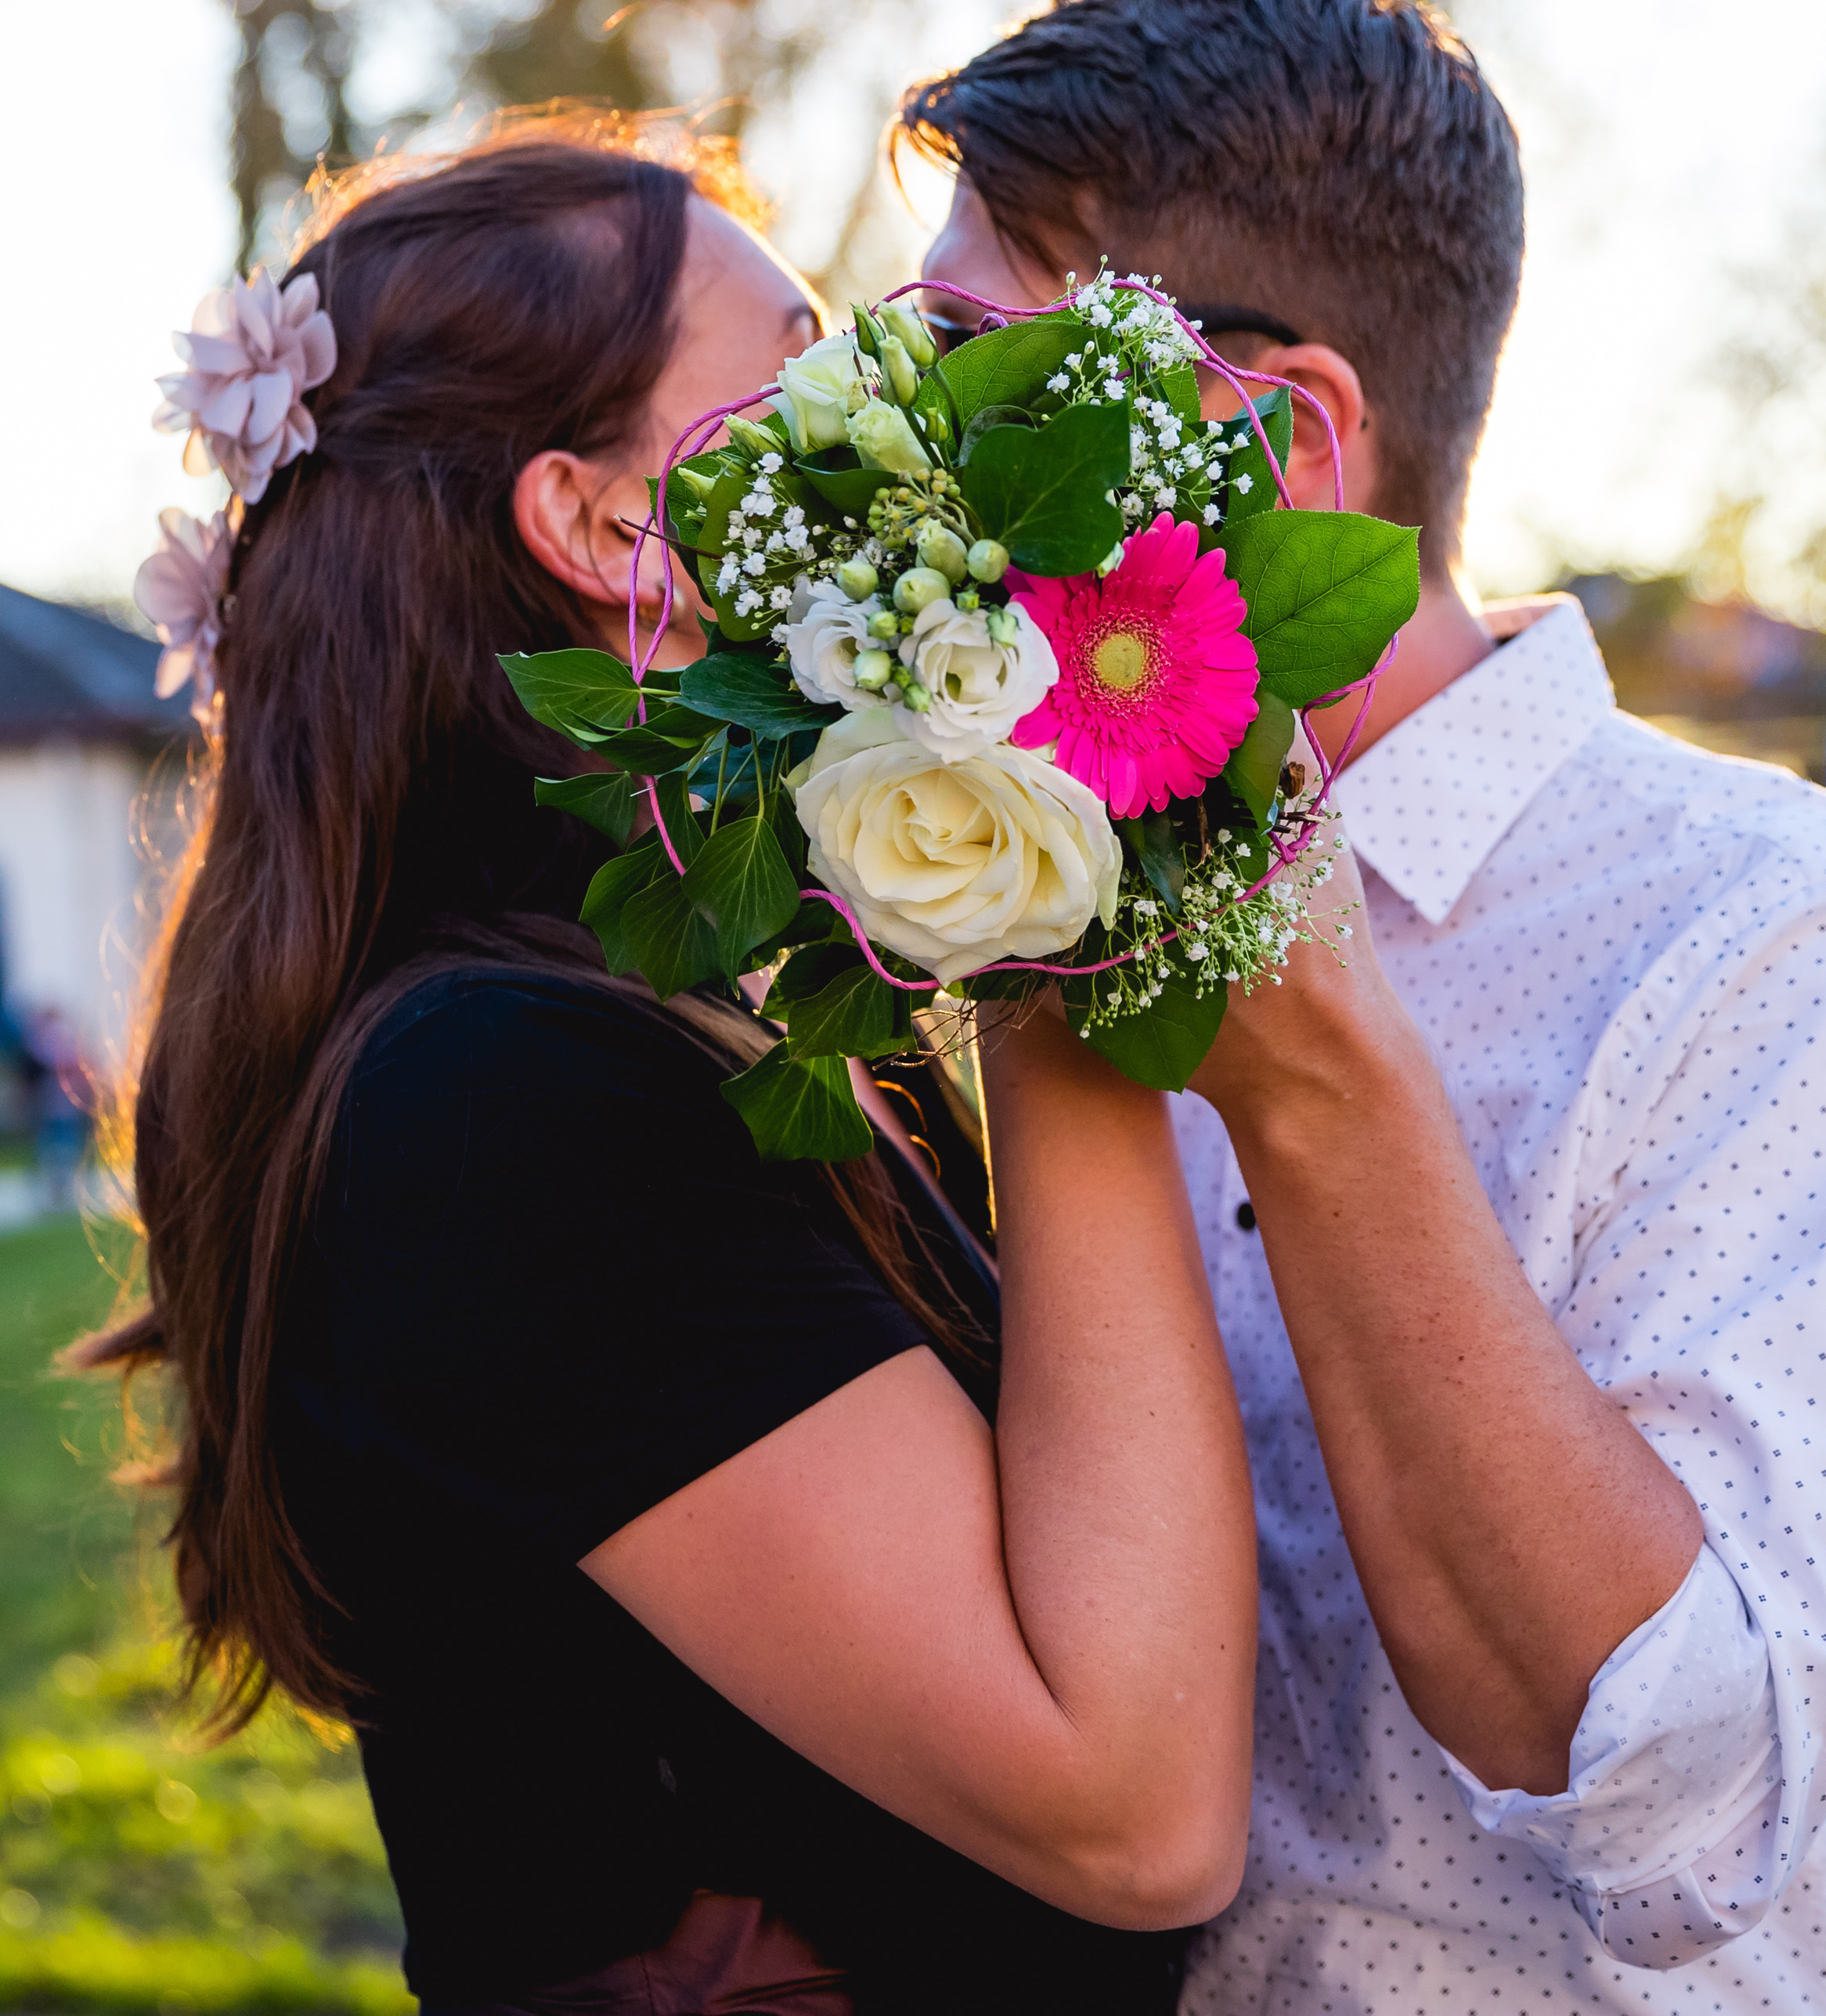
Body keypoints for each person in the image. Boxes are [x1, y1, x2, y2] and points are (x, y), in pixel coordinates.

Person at [905, 0, 1826, 2013]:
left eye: (964, 371)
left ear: (1268, 446)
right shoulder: (1014, 905)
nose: (899, 450)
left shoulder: (1796, 947)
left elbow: (1689, 1812)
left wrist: (1311, 1078)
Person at [75, 117, 1268, 2016]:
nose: (889, 412)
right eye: (805, 363)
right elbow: (1132, 1814)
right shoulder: (500, 1110)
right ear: (604, 526)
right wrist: (1062, 874)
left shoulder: (688, 1013)